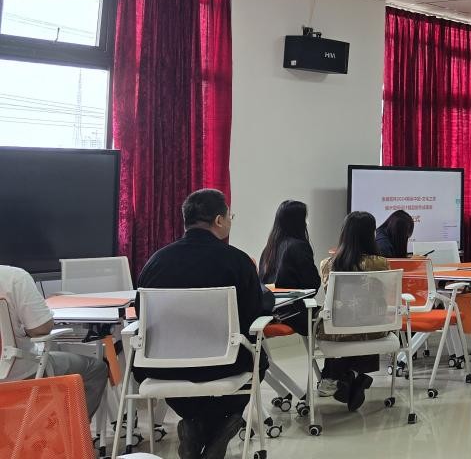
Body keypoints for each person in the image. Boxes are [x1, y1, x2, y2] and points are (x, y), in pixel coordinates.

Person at [136, 189, 271, 459]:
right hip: (224, 363)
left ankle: (194, 423)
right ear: (219, 220)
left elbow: (141, 313)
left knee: (191, 376)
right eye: (230, 216)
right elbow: (253, 313)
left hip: (163, 365)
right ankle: (223, 423)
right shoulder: (237, 261)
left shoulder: (156, 262)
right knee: (258, 360)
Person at [0, 264, 110, 416]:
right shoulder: (14, 278)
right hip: (19, 375)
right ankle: (69, 430)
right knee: (96, 369)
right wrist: (23, 330)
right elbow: (41, 329)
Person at [316, 211, 389, 412]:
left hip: (337, 331)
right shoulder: (380, 263)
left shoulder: (327, 264)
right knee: (367, 319)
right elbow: (382, 294)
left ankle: (341, 376)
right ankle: (355, 374)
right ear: (371, 234)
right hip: (374, 330)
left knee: (347, 321)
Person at [257, 200, 319, 335]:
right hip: (294, 314)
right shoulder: (299, 247)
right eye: (305, 218)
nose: (307, 223)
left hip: (271, 311)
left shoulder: (268, 248)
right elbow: (312, 285)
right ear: (298, 222)